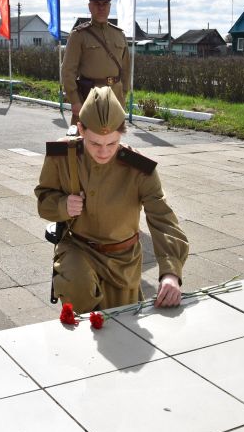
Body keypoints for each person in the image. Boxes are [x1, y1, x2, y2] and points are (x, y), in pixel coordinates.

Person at [35, 86, 188, 313]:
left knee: (121, 326)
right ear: (80, 129)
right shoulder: (62, 156)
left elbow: (163, 218)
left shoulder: (139, 169)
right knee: (78, 288)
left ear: (122, 133)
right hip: (78, 248)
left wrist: (170, 273)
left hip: (122, 261)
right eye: (95, 143)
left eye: (112, 143)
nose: (104, 152)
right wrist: (62, 205)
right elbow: (43, 199)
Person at [61, 0, 131, 124]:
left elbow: (126, 68)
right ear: (90, 7)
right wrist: (75, 101)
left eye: (105, 3)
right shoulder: (79, 35)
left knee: (111, 140)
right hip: (88, 96)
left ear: (110, 7)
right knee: (83, 140)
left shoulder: (119, 34)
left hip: (115, 96)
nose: (101, 8)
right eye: (97, 4)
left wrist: (123, 94)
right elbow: (68, 70)